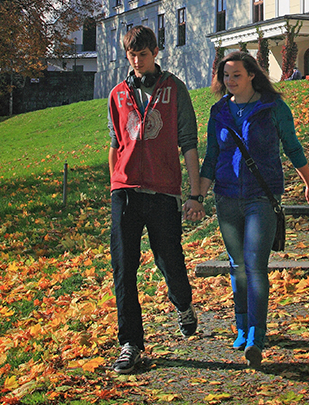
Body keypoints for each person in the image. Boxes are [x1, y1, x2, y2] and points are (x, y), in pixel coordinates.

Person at [192, 51, 309, 369]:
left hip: (262, 197)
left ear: (251, 75)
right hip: (226, 198)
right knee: (237, 267)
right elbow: (211, 157)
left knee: (255, 266)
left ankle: (257, 337)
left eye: (236, 74)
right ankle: (242, 326)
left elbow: (292, 146)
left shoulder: (273, 107)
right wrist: (198, 197)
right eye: (226, 75)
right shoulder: (219, 111)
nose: (230, 80)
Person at [107, 25, 204, 375]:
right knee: (124, 269)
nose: (137, 61)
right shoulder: (117, 94)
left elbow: (189, 143)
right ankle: (130, 343)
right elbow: (115, 143)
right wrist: (115, 183)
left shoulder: (175, 90)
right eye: (132, 55)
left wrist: (194, 194)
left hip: (163, 193)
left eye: (143, 55)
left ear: (156, 53)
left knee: (169, 261)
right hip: (126, 194)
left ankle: (183, 304)